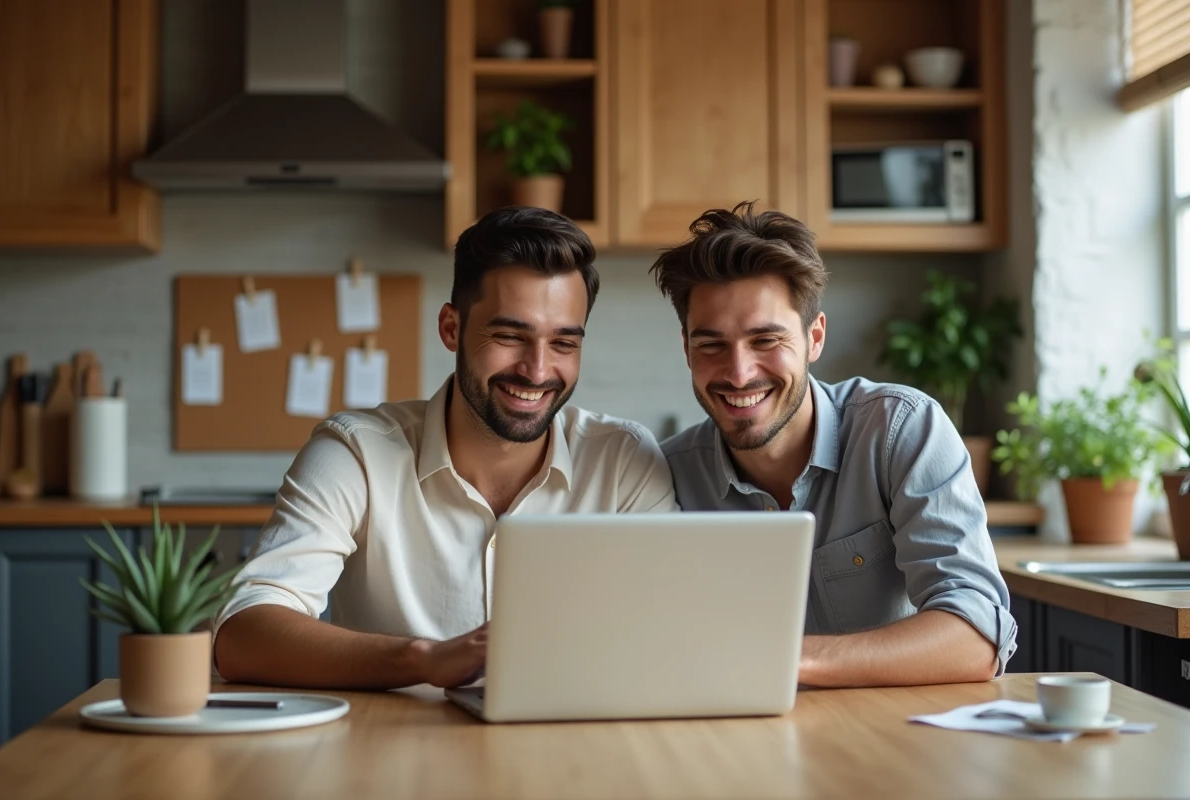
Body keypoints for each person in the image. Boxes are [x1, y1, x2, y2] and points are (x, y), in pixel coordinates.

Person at [214, 206, 677, 691]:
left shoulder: (624, 462)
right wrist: (422, 660)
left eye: (563, 343)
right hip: (388, 751)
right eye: (509, 336)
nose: (537, 370)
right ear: (451, 328)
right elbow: (240, 636)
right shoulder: (356, 454)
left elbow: (671, 637)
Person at [653, 202, 1015, 688]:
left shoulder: (900, 431)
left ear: (814, 338)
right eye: (711, 345)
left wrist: (785, 660)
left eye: (766, 340)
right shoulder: (666, 477)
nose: (739, 373)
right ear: (686, 349)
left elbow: (975, 638)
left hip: (895, 744)